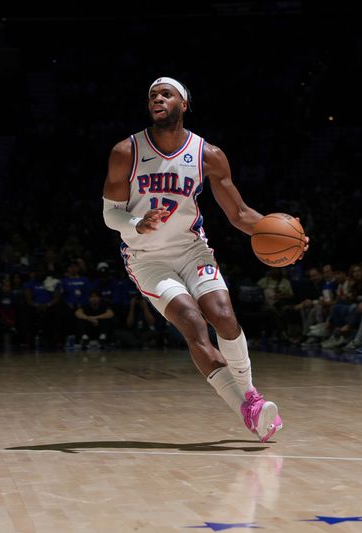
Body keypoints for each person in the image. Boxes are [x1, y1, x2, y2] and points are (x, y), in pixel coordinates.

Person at [101, 76, 308, 442]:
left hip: (191, 249)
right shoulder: (126, 151)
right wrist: (136, 222)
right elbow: (110, 214)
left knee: (223, 315)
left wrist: (287, 237)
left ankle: (251, 397)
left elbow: (240, 213)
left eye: (166, 93)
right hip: (146, 257)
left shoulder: (207, 154)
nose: (157, 99)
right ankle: (246, 404)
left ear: (184, 104)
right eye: (152, 95)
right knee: (192, 321)